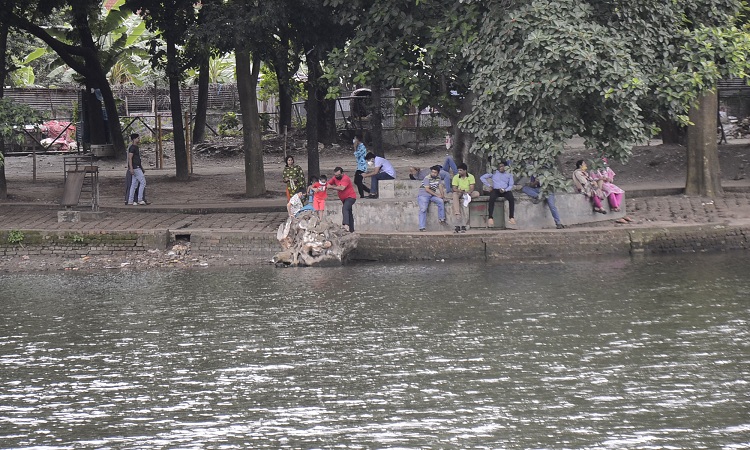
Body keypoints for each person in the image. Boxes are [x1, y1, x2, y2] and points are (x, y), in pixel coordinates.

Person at [480, 160, 516, 227]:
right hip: (496, 190)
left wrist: (505, 190)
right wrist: (489, 186)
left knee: (511, 199)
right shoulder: (494, 173)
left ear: (506, 167)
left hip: (505, 190)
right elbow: (482, 178)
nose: (500, 168)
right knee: (492, 199)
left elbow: (511, 185)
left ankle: (511, 217)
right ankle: (490, 217)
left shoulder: (509, 174)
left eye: (502, 166)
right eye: (499, 166)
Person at [451, 163, 480, 233]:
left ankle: (467, 199)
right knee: (455, 195)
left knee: (477, 193)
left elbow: (472, 187)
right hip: (460, 191)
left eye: (461, 170)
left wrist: (468, 192)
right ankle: (457, 213)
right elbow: (454, 188)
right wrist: (460, 191)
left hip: (468, 192)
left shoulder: (471, 176)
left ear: (465, 171)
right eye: (458, 170)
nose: (459, 172)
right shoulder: (456, 177)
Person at [327, 167, 357, 232]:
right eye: (335, 175)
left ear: (342, 173)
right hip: (344, 199)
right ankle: (351, 230)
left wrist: (332, 187)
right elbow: (328, 184)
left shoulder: (345, 178)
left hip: (350, 197)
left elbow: (342, 188)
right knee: (349, 213)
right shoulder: (334, 178)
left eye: (338, 175)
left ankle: (346, 225)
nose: (337, 177)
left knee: (345, 208)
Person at [418, 165, 447, 231]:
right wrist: (437, 195)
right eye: (432, 172)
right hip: (424, 195)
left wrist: (442, 195)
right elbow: (427, 189)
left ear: (438, 173)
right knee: (423, 209)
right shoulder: (427, 178)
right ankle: (422, 227)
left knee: (440, 201)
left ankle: (442, 219)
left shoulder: (438, 178)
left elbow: (440, 186)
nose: (433, 174)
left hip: (431, 195)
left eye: (435, 172)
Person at [124, 133, 148, 205]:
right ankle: (140, 199)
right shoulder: (132, 148)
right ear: (134, 139)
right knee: (143, 182)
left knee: (134, 184)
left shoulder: (135, 147)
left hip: (137, 167)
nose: (139, 139)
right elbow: (130, 158)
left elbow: (137, 159)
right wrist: (131, 168)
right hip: (135, 168)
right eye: (138, 138)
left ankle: (130, 200)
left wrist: (141, 167)